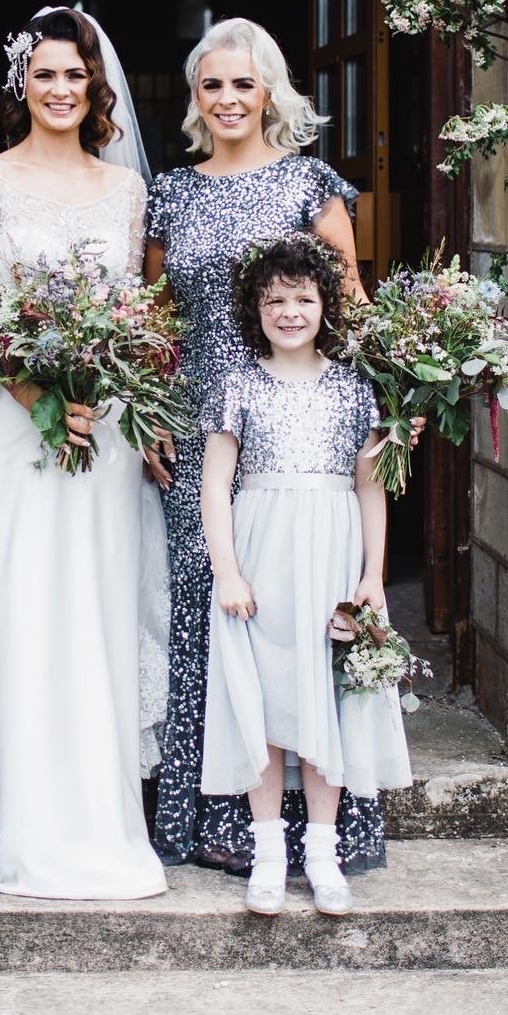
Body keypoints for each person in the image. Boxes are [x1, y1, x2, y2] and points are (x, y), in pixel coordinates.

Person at [144, 16, 381, 876]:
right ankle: (214, 820)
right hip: (198, 423)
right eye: (213, 85)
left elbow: (349, 302)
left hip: (300, 429)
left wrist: (377, 421)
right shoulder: (170, 193)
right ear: (196, 99)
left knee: (300, 614)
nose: (228, 99)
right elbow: (153, 320)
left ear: (270, 92)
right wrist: (147, 419)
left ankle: (319, 829)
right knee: (212, 606)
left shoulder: (309, 183)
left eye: (244, 84)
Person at [0, 5, 169, 900]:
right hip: (12, 423)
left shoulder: (125, 193)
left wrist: (114, 408)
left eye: (75, 75)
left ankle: (102, 818)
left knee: (98, 605)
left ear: (95, 87)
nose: (61, 89)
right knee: (21, 601)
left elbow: (142, 320)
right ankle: (28, 822)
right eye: (44, 74)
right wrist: (43, 397)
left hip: (104, 429)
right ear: (20, 85)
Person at [200, 234, 412, 916]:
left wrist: (373, 575)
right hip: (262, 545)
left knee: (330, 692)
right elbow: (215, 485)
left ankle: (322, 851)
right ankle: (267, 850)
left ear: (325, 305)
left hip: (331, 544)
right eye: (274, 301)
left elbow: (371, 487)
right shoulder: (237, 384)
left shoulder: (354, 387)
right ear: (254, 310)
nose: (289, 312)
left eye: (303, 298)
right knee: (259, 695)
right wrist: (227, 569)